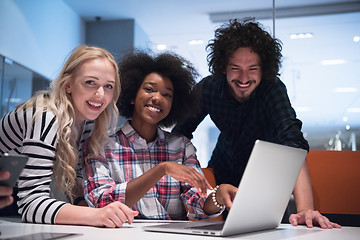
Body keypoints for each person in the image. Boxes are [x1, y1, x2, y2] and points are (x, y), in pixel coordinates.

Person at [172, 19, 341, 229]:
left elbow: (293, 144)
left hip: (267, 176)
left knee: (273, 230)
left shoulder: (273, 89)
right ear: (223, 67)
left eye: (252, 69)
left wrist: (305, 209)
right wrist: (185, 175)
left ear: (264, 69)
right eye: (236, 68)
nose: (244, 78)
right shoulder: (208, 88)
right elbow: (179, 135)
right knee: (228, 231)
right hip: (224, 170)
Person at [84, 51, 237, 221]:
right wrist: (162, 169)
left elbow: (199, 204)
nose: (157, 98)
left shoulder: (182, 146)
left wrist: (218, 196)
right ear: (132, 95)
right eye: (149, 89)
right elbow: (101, 203)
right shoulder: (102, 145)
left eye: (167, 95)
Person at [0, 45, 137, 227]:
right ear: (67, 85)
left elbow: (72, 185)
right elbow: (30, 204)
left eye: (108, 86)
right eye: (90, 82)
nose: (100, 94)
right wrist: (97, 215)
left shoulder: (87, 122)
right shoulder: (46, 117)